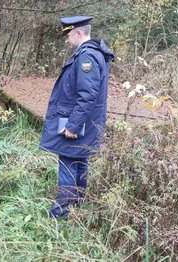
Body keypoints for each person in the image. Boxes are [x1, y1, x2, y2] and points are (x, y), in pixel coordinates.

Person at [39, 16, 115, 219]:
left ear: (79, 33)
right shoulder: (93, 53)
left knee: (67, 163)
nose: (66, 40)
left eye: (68, 35)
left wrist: (72, 126)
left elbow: (87, 96)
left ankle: (61, 212)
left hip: (77, 122)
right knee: (79, 160)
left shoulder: (86, 57)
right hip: (85, 122)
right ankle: (78, 203)